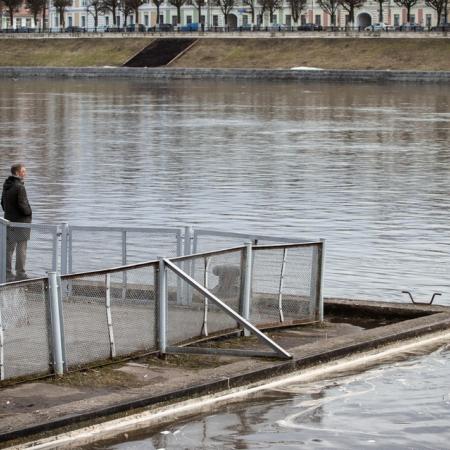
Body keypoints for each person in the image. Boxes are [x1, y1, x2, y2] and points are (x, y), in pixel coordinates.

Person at [1, 164, 32, 281]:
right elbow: (23, 206)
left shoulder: (6, 185)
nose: (25, 174)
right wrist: (29, 213)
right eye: (23, 171)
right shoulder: (20, 187)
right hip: (21, 223)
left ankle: (7, 274)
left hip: (8, 221)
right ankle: (21, 274)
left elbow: (3, 204)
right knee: (21, 249)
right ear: (18, 173)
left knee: (8, 249)